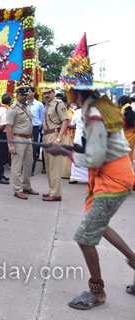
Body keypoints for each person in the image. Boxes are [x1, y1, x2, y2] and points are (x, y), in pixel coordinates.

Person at [44, 35, 135, 309]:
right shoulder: (100, 105)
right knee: (99, 226)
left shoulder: (94, 113)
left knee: (85, 236)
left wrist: (64, 151)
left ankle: (97, 292)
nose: (66, 93)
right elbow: (96, 147)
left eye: (68, 89)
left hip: (113, 179)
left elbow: (93, 158)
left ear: (75, 90)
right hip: (117, 175)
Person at [5, 86, 38, 199]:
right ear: (17, 95)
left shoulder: (27, 106)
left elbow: (30, 122)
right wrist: (11, 144)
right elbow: (8, 128)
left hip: (28, 139)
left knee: (29, 163)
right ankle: (17, 189)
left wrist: (31, 137)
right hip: (18, 139)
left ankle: (26, 186)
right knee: (17, 166)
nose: (25, 97)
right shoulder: (13, 109)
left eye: (26, 95)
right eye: (22, 95)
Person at [41, 88, 69, 201]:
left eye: (49, 93)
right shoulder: (47, 105)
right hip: (46, 136)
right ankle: (52, 190)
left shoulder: (59, 104)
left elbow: (65, 121)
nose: (46, 95)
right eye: (45, 93)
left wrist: (59, 138)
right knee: (48, 166)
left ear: (53, 93)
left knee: (55, 166)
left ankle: (56, 193)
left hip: (54, 135)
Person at [68, 101, 88, 184]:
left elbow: (73, 124)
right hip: (90, 135)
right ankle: (89, 177)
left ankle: (74, 177)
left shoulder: (77, 112)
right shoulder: (95, 111)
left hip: (79, 135)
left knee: (76, 155)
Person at [0, 94, 11, 184]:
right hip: (1, 134)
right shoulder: (5, 110)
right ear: (10, 101)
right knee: (0, 157)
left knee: (1, 156)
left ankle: (0, 174)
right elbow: (3, 125)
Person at [27, 86, 44, 175]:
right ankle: (24, 168)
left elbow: (42, 118)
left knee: (33, 149)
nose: (28, 94)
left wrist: (37, 127)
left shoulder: (39, 104)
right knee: (24, 148)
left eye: (29, 92)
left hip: (35, 129)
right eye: (26, 92)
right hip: (24, 129)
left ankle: (31, 169)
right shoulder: (23, 103)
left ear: (33, 93)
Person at [118, 95, 135, 163]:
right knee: (129, 158)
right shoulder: (133, 114)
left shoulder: (119, 114)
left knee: (121, 158)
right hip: (132, 138)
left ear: (121, 104)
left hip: (121, 138)